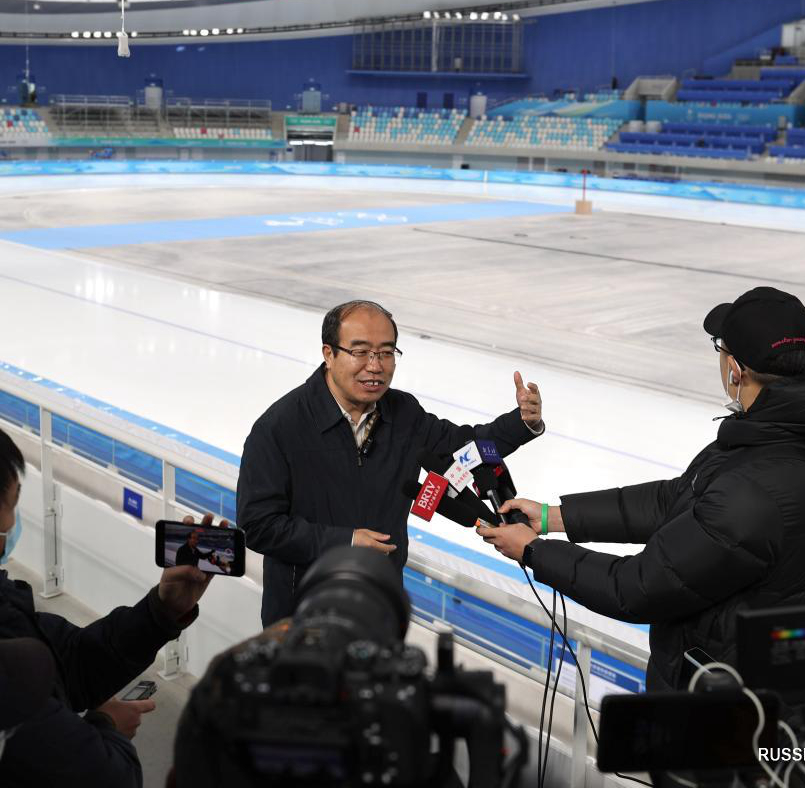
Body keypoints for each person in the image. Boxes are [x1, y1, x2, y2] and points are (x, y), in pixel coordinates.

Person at [478, 286, 805, 694]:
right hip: (773, 688)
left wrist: (533, 550)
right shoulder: (800, 431)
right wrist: (556, 517)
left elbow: (636, 587)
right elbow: (682, 499)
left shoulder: (755, 488)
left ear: (736, 370)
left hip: (727, 720)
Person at [237, 299, 544, 625]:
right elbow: (258, 524)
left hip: (379, 607)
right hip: (302, 616)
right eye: (361, 352)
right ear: (329, 354)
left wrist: (522, 422)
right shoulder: (280, 428)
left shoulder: (404, 414)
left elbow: (462, 447)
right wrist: (347, 542)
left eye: (386, 352)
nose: (375, 365)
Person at [0, 428, 227, 788]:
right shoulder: (11, 666)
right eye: (12, 503)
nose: (12, 523)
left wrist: (160, 612)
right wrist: (107, 729)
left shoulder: (8, 609)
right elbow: (104, 777)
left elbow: (74, 662)